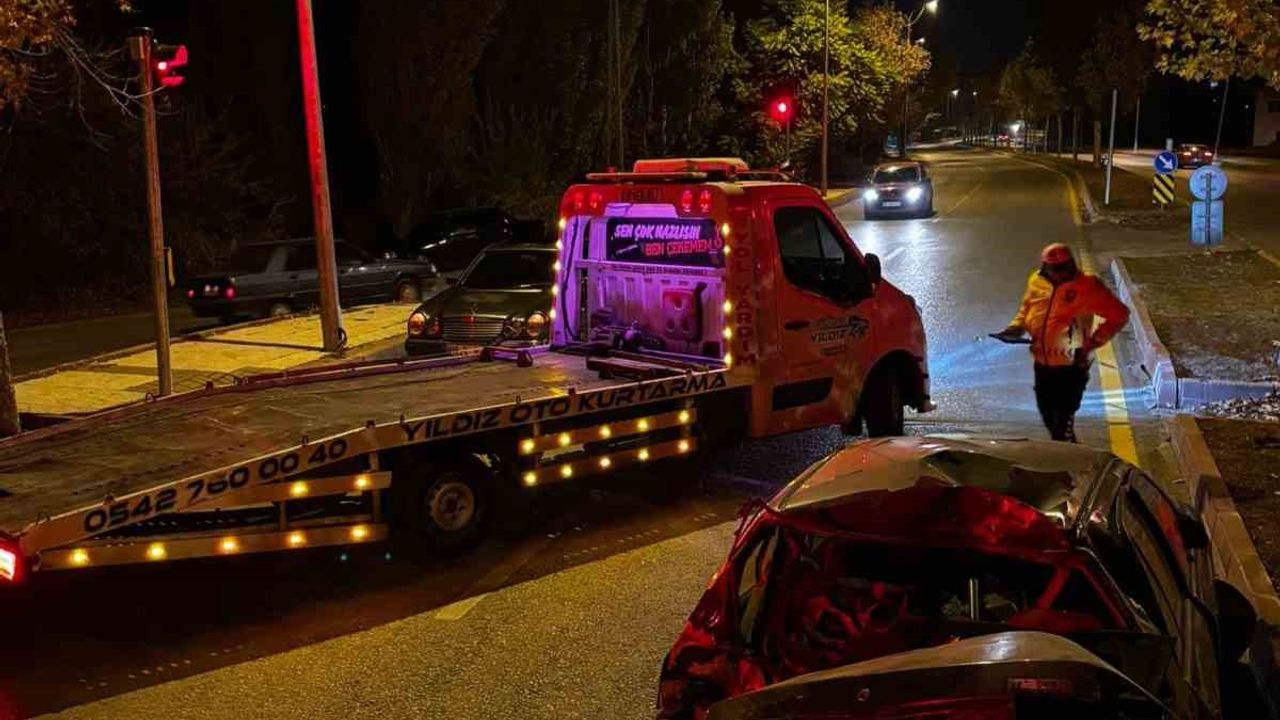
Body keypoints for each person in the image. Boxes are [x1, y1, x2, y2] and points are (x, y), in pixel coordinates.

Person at [999, 243, 1130, 442]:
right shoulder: (1036, 281)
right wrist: (1015, 328)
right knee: (1048, 414)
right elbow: (1026, 309)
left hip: (1071, 365)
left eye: (1064, 267)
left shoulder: (1087, 287)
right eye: (1055, 268)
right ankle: (1069, 449)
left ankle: (1068, 453)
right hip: (1042, 362)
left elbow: (1119, 314)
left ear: (1071, 264)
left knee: (1062, 422)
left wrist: (1093, 342)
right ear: (1046, 267)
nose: (1061, 273)